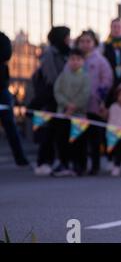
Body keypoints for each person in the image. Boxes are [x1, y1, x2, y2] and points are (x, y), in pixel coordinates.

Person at [28, 26, 71, 175]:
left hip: (62, 99)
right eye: (66, 36)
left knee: (58, 133)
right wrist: (62, 91)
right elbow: (52, 78)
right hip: (51, 99)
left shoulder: (66, 52)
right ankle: (43, 162)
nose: (69, 39)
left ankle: (56, 161)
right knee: (47, 132)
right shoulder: (50, 54)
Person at [75, 30, 113, 176]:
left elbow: (107, 80)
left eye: (88, 41)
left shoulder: (100, 60)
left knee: (94, 137)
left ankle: (95, 165)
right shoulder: (74, 59)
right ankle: (80, 165)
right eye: (82, 41)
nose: (85, 44)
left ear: (94, 43)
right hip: (78, 106)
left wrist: (100, 98)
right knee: (79, 136)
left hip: (94, 105)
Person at [52, 48, 90, 177]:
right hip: (63, 114)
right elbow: (57, 91)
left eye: (78, 59)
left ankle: (79, 165)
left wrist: (74, 106)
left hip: (79, 116)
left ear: (83, 62)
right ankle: (64, 163)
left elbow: (85, 94)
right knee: (62, 140)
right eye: (72, 59)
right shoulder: (63, 76)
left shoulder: (85, 77)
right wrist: (66, 104)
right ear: (68, 61)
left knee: (78, 141)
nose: (75, 62)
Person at [0, 31, 29, 167]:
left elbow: (6, 54)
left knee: (10, 125)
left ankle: (20, 158)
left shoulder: (2, 38)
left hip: (1, 89)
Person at [103, 18, 121, 107]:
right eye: (114, 27)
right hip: (110, 85)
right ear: (110, 28)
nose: (116, 29)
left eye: (119, 27)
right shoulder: (105, 46)